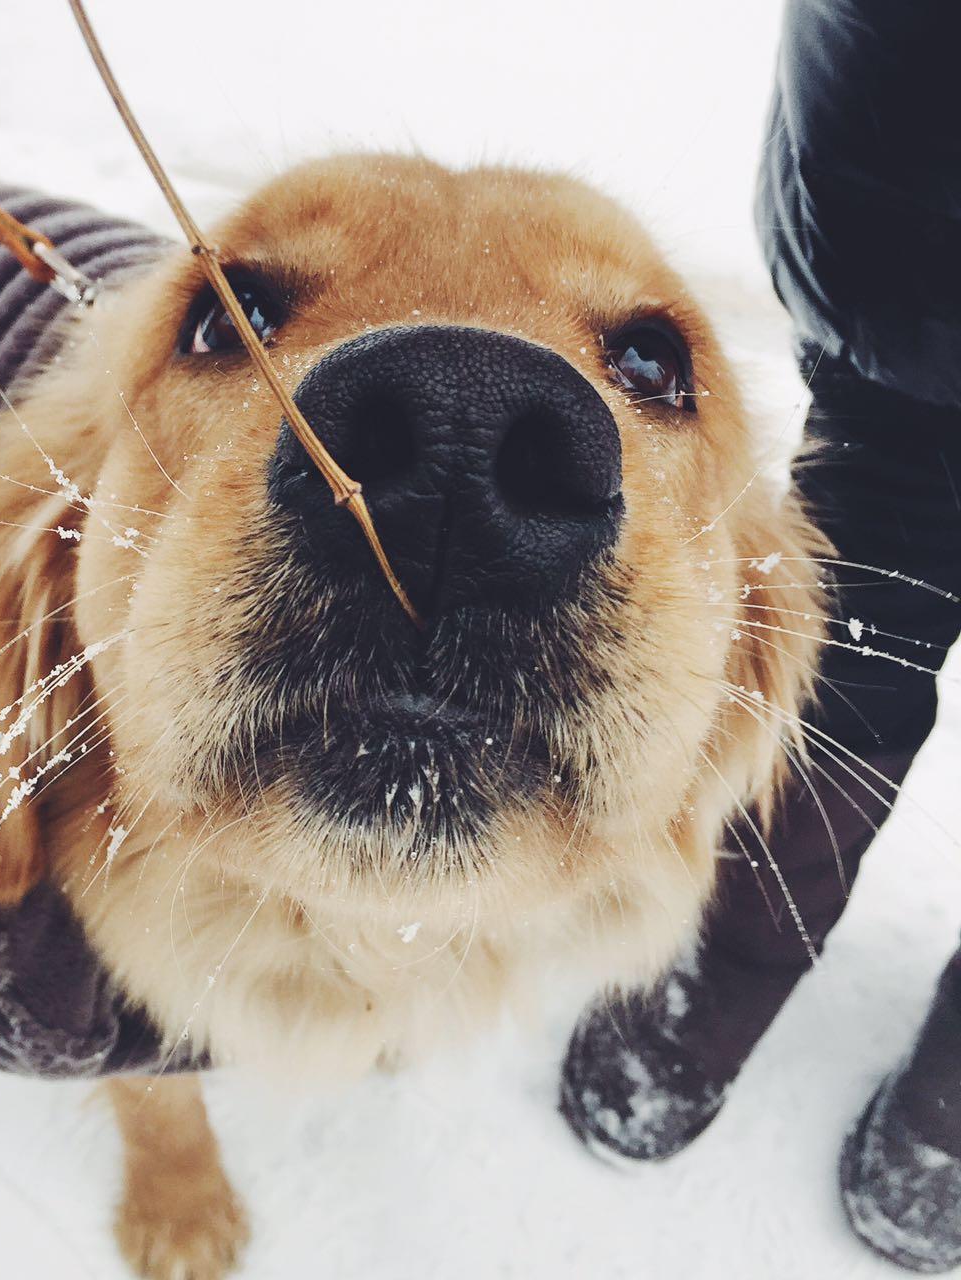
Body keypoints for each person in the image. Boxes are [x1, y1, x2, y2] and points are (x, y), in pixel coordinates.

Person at [558, 0, 961, 1270]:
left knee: (845, 637)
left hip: (908, 225)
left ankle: (704, 1002)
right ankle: (749, 967)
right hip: (915, 227)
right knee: (840, 648)